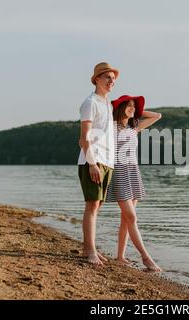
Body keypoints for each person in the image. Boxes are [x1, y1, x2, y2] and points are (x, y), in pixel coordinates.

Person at [106, 95, 163, 272]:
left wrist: (136, 110)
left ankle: (120, 257)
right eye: (128, 105)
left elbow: (157, 116)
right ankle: (146, 258)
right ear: (120, 107)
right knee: (131, 217)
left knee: (126, 219)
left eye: (134, 106)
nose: (132, 108)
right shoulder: (110, 126)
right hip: (118, 173)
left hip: (133, 173)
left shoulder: (134, 127)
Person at [77, 62, 119, 265]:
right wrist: (92, 163)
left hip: (107, 162)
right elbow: (84, 138)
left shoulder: (108, 104)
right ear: (97, 79)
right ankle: (91, 251)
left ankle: (88, 248)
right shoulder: (90, 102)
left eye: (113, 78)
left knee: (98, 205)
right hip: (92, 160)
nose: (112, 81)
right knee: (92, 204)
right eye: (107, 77)